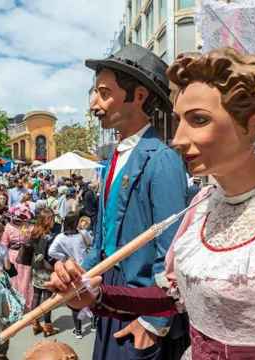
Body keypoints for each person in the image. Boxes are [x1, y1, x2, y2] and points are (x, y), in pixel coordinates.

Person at [47, 48, 255, 360]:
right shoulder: (201, 207)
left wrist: (149, 322)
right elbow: (174, 298)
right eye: (179, 121)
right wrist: (98, 295)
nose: (178, 139)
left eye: (199, 120)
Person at [76, 43, 190, 360]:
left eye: (103, 93)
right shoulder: (116, 156)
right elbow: (103, 235)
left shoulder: (162, 159)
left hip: (142, 306)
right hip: (109, 296)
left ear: (138, 96)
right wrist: (82, 277)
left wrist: (153, 321)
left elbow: (171, 251)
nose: (93, 104)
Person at [48, 211, 89, 339]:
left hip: (71, 271)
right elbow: (92, 244)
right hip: (86, 268)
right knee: (91, 296)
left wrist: (64, 257)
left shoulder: (60, 237)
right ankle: (93, 325)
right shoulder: (83, 234)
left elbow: (51, 251)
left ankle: (78, 330)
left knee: (75, 299)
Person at [28, 208, 57, 337]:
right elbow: (51, 254)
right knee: (47, 298)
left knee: (36, 295)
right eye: (52, 218)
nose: (54, 221)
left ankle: (34, 323)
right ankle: (47, 326)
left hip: (36, 267)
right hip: (46, 268)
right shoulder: (49, 236)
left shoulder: (34, 231)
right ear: (47, 220)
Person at [0, 205, 33, 311]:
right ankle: (16, 304)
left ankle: (26, 305)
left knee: (26, 280)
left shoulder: (28, 226)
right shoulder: (8, 227)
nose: (20, 220)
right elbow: (4, 245)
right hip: (13, 255)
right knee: (14, 280)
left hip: (25, 255)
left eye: (22, 218)